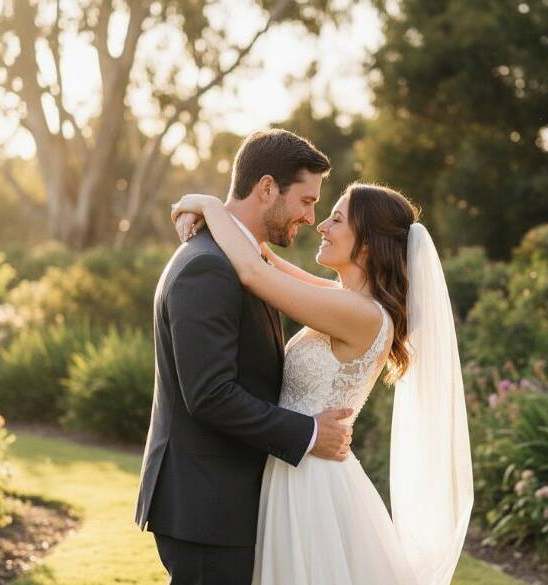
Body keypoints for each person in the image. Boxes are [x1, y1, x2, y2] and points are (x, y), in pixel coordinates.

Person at [170, 181, 473, 585]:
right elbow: (262, 256)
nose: (322, 226)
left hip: (312, 483)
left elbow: (252, 271)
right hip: (297, 465)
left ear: (366, 242)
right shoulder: (343, 298)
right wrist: (204, 208)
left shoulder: (360, 314)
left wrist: (206, 203)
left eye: (336, 218)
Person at [135, 129, 356, 585]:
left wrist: (206, 204)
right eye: (307, 201)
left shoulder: (244, 262)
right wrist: (310, 433)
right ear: (268, 188)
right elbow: (211, 394)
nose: (312, 217)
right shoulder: (207, 267)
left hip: (228, 504)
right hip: (206, 508)